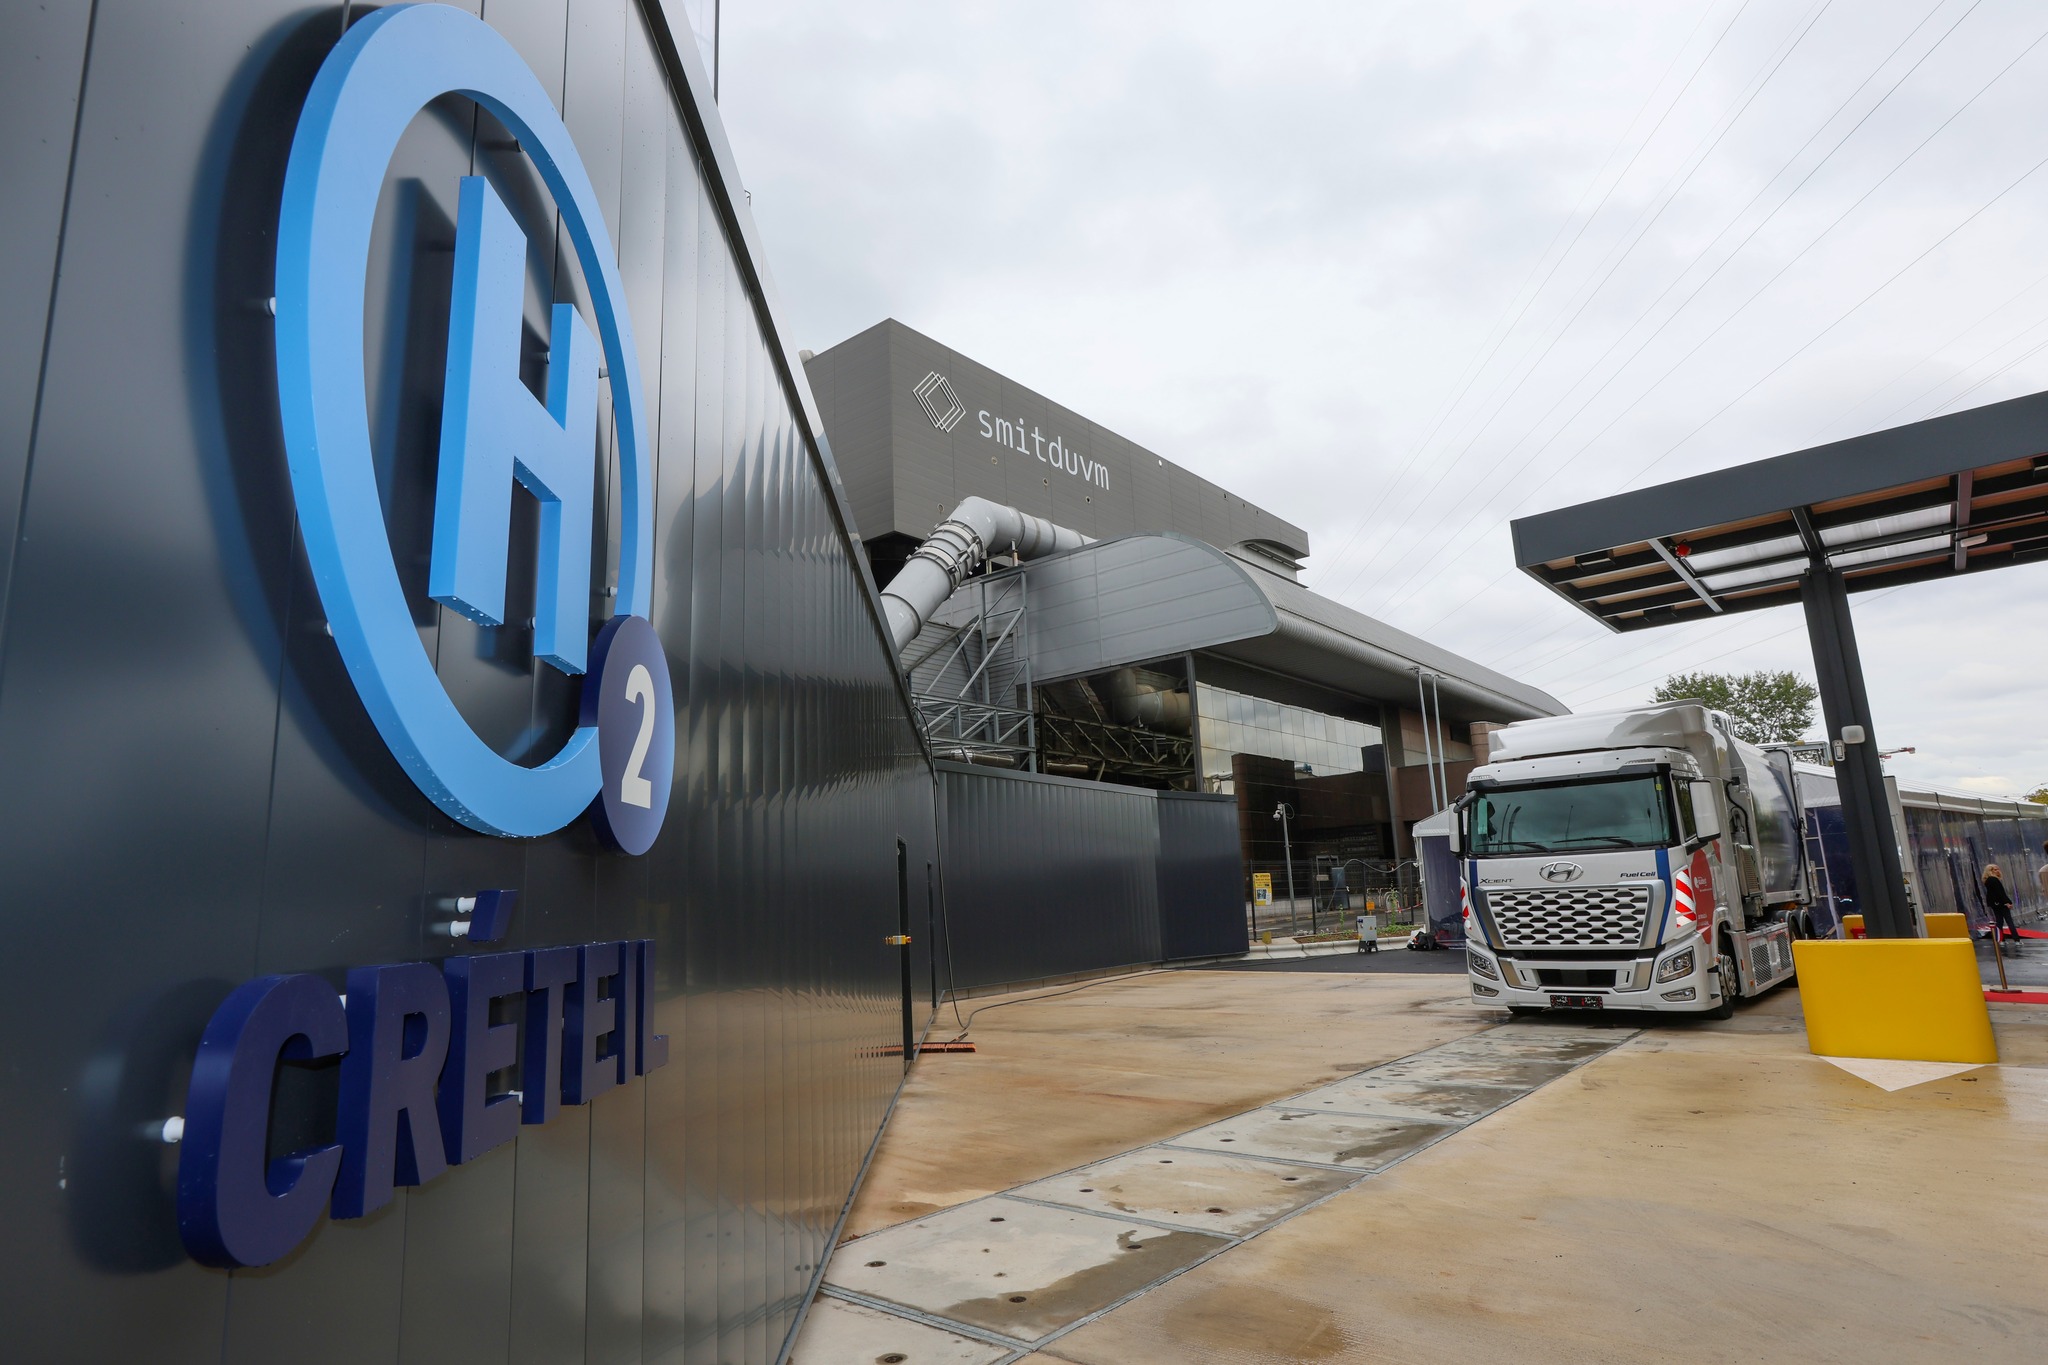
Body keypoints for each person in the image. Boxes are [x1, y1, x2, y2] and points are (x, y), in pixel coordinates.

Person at [1984, 863, 2018, 945]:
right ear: (1990, 871)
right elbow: (2001, 893)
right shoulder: (1995, 880)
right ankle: (2017, 940)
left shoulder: (1987, 881)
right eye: (1995, 870)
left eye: (1998, 869)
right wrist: (2008, 902)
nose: (1998, 871)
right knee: (2009, 921)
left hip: (1994, 904)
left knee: (1999, 921)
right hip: (2001, 903)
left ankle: (2001, 939)